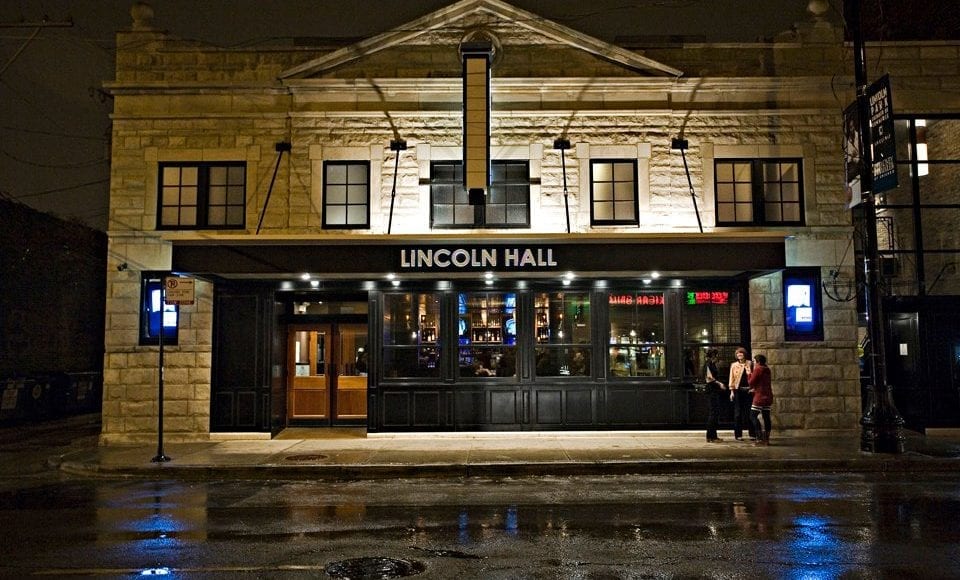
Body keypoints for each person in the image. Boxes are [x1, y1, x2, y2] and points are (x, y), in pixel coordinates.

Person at [728, 346, 758, 441]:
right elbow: (731, 378)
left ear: (744, 354)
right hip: (738, 390)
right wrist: (732, 391)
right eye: (738, 354)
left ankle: (752, 434)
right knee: (738, 413)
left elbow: (755, 376)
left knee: (750, 412)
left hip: (749, 390)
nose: (739, 355)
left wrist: (754, 388)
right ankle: (738, 435)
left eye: (741, 353)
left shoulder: (750, 363)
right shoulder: (734, 365)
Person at [748, 354, 773, 446]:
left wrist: (749, 373)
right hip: (768, 396)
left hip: (759, 397)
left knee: (752, 416)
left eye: (754, 361)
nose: (753, 363)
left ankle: (759, 439)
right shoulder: (767, 369)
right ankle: (766, 439)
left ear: (758, 362)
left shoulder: (758, 369)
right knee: (766, 417)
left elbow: (751, 382)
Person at [703, 348, 726, 443]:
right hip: (711, 390)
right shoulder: (708, 364)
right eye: (716, 355)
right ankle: (710, 436)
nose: (717, 357)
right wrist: (719, 383)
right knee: (713, 413)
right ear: (713, 355)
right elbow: (709, 378)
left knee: (714, 413)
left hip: (713, 390)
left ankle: (713, 436)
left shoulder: (710, 364)